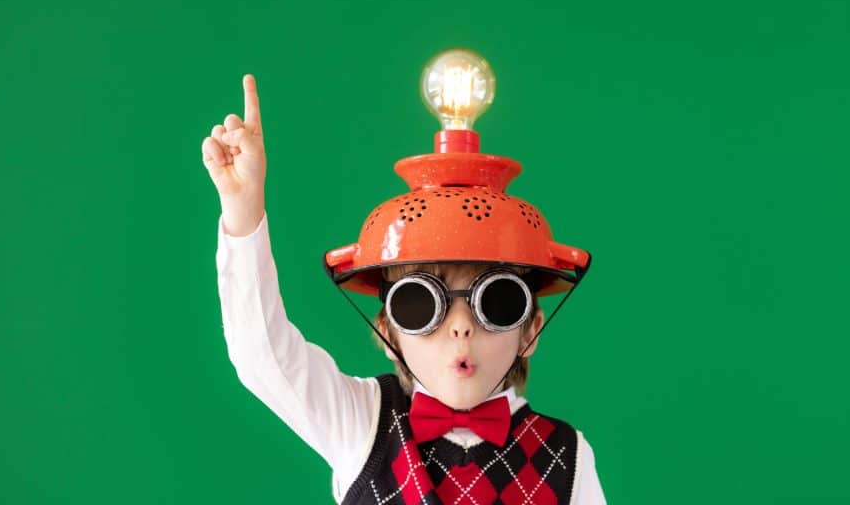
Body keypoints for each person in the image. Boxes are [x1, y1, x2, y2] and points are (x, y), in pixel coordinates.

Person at [202, 74, 607, 504]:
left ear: (530, 330)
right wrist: (243, 210)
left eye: (496, 302)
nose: (460, 328)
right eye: (420, 304)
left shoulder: (567, 456)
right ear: (390, 330)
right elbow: (261, 356)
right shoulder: (362, 422)